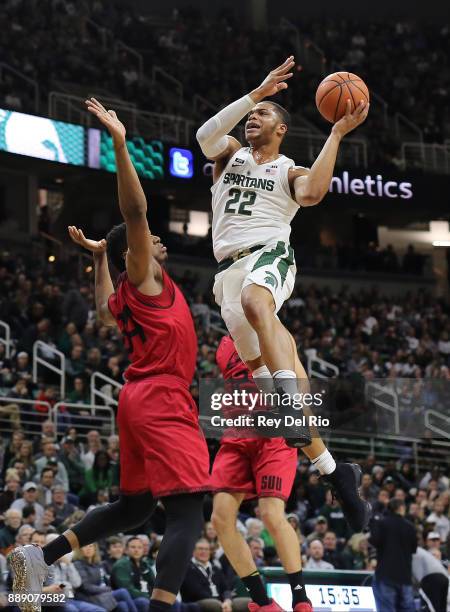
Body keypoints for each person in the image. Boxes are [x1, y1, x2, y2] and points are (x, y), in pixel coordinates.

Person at [10, 98, 210, 612]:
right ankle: (162, 607)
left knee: (134, 507)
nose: (158, 240)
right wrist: (121, 144)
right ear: (135, 255)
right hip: (164, 396)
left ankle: (38, 558)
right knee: (188, 510)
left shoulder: (124, 294)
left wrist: (99, 259)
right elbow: (136, 211)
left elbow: (102, 313)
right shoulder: (144, 276)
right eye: (149, 242)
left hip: (137, 399)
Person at [197, 53, 370, 519]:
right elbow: (204, 135)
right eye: (251, 113)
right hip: (226, 275)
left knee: (259, 307)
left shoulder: (288, 169)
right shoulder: (228, 155)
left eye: (264, 114)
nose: (254, 117)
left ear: (282, 130)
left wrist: (335, 134)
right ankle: (336, 471)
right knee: (270, 379)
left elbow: (313, 193)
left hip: (269, 255)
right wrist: (256, 93)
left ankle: (291, 403)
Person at [211, 335, 368, 611]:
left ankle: (300, 599)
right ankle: (262, 602)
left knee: (271, 514)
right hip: (237, 434)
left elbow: (301, 386)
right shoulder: (224, 344)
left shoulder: (272, 328)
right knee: (221, 518)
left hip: (274, 436)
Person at [369, 498, 417, 612]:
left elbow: (374, 541)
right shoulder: (410, 527)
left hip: (386, 575)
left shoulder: (382, 523)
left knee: (387, 609)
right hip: (405, 577)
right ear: (401, 508)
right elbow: (414, 549)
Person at [111, 537, 155, 612]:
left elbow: (154, 584)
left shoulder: (145, 565)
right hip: (131, 600)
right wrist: (149, 597)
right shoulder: (121, 565)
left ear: (143, 550)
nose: (136, 550)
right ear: (126, 550)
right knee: (144, 602)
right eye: (133, 547)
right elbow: (127, 590)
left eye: (139, 547)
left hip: (148, 597)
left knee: (174, 603)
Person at [412, 546, 449, 612]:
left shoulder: (445, 571)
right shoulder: (420, 569)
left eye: (438, 556)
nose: (436, 558)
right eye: (434, 555)